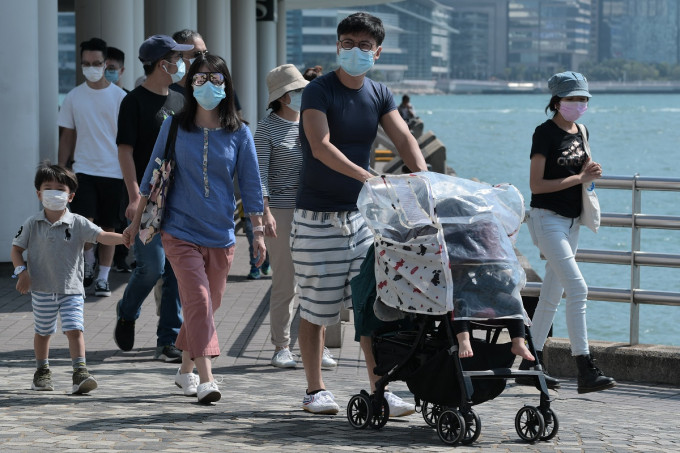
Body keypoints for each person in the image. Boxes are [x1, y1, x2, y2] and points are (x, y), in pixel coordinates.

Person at [293, 12, 428, 415]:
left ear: (378, 52)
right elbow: (320, 145)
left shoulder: (380, 93)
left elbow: (403, 138)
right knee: (317, 308)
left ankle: (379, 386)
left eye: (364, 45)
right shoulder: (318, 91)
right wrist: (371, 177)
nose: (355, 50)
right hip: (317, 216)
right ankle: (315, 389)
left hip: (363, 220)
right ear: (337, 45)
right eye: (348, 43)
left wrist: (427, 183)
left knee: (372, 306)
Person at [124, 54, 266, 404]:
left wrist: (258, 229)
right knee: (199, 301)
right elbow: (151, 177)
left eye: (216, 79)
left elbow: (250, 183)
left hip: (221, 234)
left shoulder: (240, 132)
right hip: (178, 230)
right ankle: (207, 380)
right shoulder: (173, 126)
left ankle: (185, 370)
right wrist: (134, 221)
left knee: (207, 304)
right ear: (189, 85)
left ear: (227, 85)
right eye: (200, 79)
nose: (207, 85)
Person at [517, 71, 617, 394]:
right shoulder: (543, 134)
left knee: (552, 295)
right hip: (547, 220)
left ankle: (528, 364)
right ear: (557, 101)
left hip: (573, 222)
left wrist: (591, 173)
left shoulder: (582, 131)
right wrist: (578, 178)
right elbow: (536, 185)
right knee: (578, 289)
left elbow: (583, 171)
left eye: (584, 98)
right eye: (573, 98)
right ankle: (584, 367)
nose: (579, 104)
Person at [11, 163, 125, 394]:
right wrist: (21, 272)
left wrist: (125, 238)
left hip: (71, 289)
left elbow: (102, 236)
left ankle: (80, 372)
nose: (54, 192)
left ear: (70, 195)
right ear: (38, 193)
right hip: (42, 289)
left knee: (75, 330)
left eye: (60, 188)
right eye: (48, 187)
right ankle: (42, 372)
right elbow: (16, 249)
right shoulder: (32, 223)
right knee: (43, 332)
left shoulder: (79, 222)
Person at [115, 34, 194, 363]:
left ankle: (168, 340)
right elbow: (125, 151)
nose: (181, 64)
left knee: (176, 269)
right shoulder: (132, 101)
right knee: (151, 267)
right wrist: (135, 195)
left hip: (178, 199)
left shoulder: (180, 98)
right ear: (162, 63)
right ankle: (127, 311)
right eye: (176, 58)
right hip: (146, 199)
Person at [57, 37, 127, 297]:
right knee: (86, 225)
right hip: (83, 170)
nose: (91, 67)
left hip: (114, 171)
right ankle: (88, 264)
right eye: (86, 63)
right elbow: (67, 135)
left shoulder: (121, 98)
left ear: (105, 63)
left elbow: (128, 140)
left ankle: (103, 278)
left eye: (96, 63)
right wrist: (61, 171)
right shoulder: (74, 96)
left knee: (108, 229)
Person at [255, 64, 308, 368]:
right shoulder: (266, 128)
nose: (303, 94)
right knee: (285, 282)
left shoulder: (311, 122)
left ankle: (318, 345)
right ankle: (281, 346)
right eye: (298, 90)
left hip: (314, 209)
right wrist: (265, 214)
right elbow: (259, 174)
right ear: (284, 97)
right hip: (282, 211)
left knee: (317, 282)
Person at [170, 29, 244, 119]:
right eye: (197, 54)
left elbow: (237, 119)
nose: (203, 58)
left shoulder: (219, 85)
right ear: (179, 57)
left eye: (205, 53)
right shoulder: (167, 90)